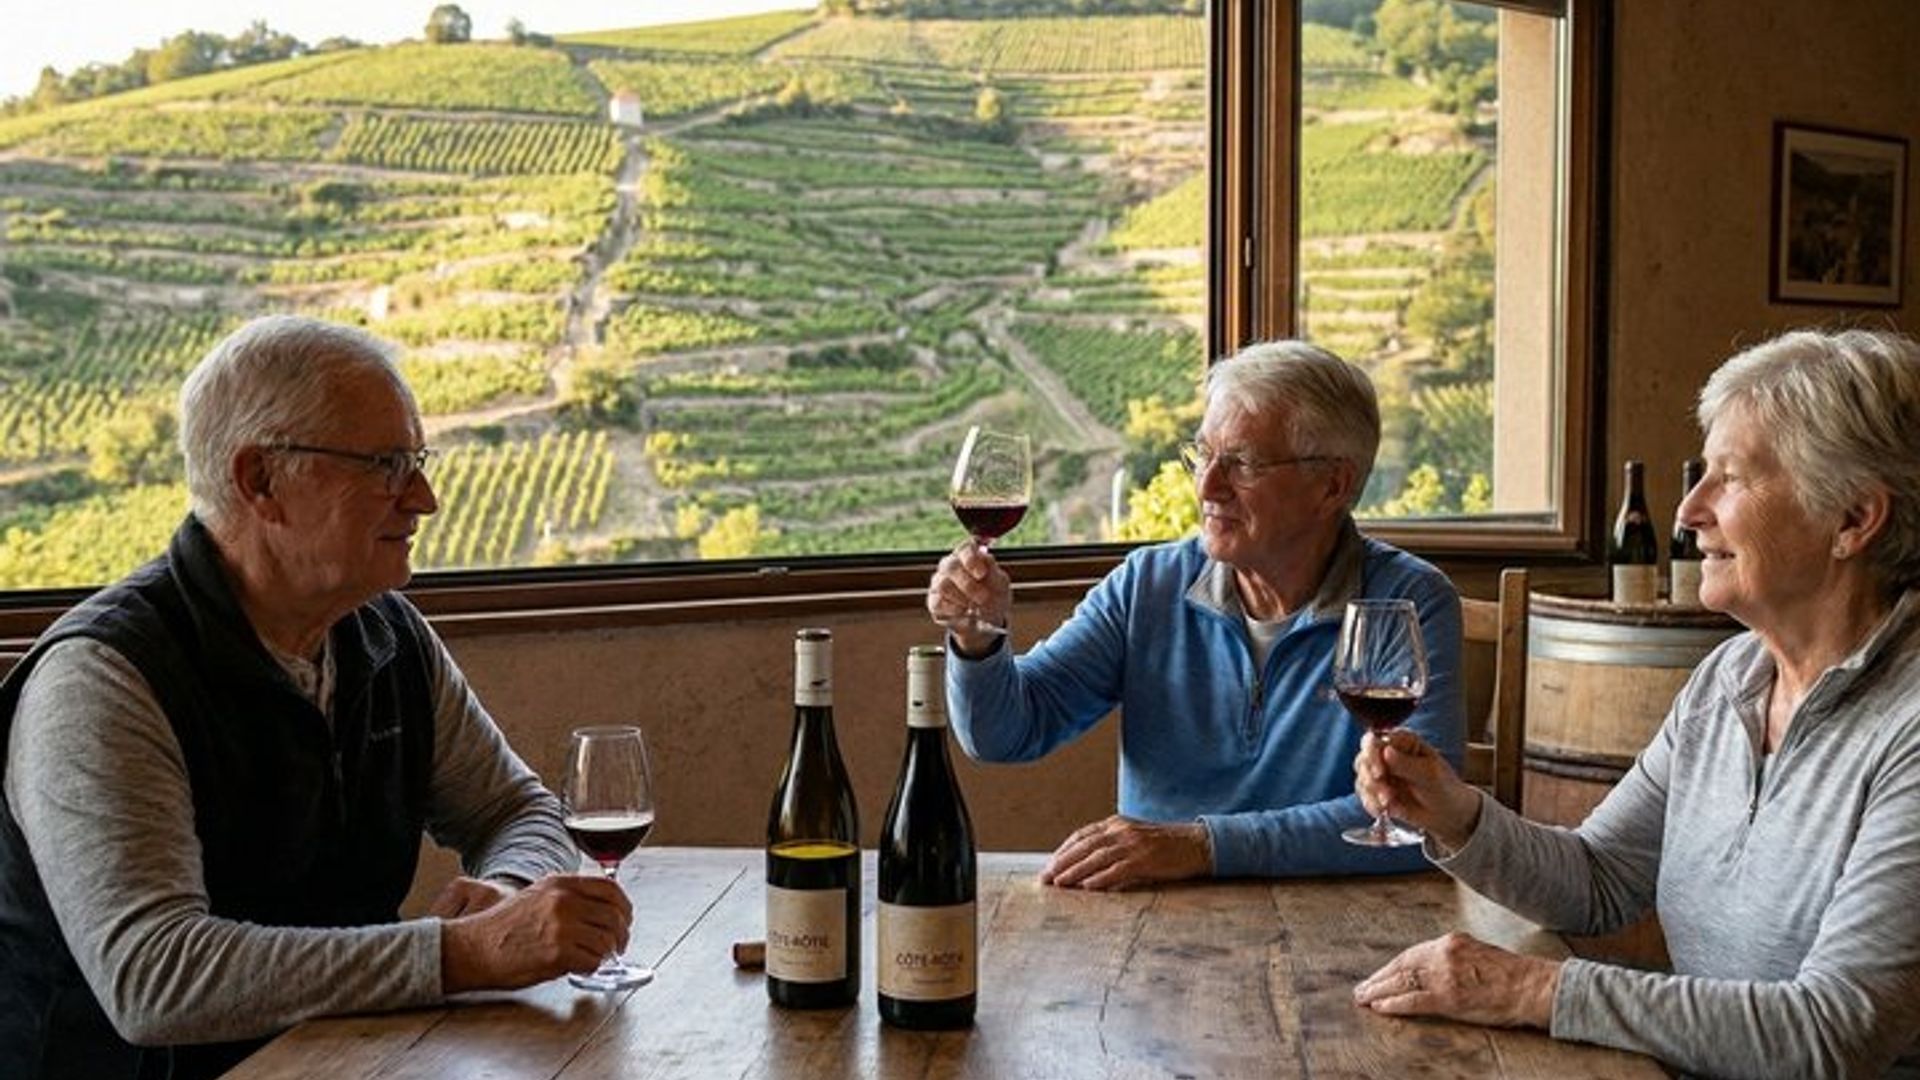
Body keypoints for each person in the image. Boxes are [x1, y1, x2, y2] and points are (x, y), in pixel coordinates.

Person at [0, 315, 631, 1080]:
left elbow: (514, 809)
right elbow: (155, 977)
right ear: (261, 481)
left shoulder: (386, 635)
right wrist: (460, 953)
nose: (424, 498)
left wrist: (508, 889)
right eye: (387, 465)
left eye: (417, 461)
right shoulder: (104, 679)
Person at [1351, 328, 1920, 1078]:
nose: (1688, 510)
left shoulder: (1907, 725)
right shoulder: (1730, 678)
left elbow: (1835, 1032)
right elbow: (1599, 879)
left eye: (1730, 478)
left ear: (1853, 519)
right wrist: (1454, 813)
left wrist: (1534, 988)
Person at [926, 340, 1463, 890]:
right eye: (1203, 455)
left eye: (1243, 463)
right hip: (1156, 919)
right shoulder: (1148, 585)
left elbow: (1419, 816)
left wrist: (1202, 846)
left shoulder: (1409, 602)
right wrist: (977, 641)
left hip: (1336, 917)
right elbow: (1004, 734)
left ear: (1332, 485)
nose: (1207, 486)